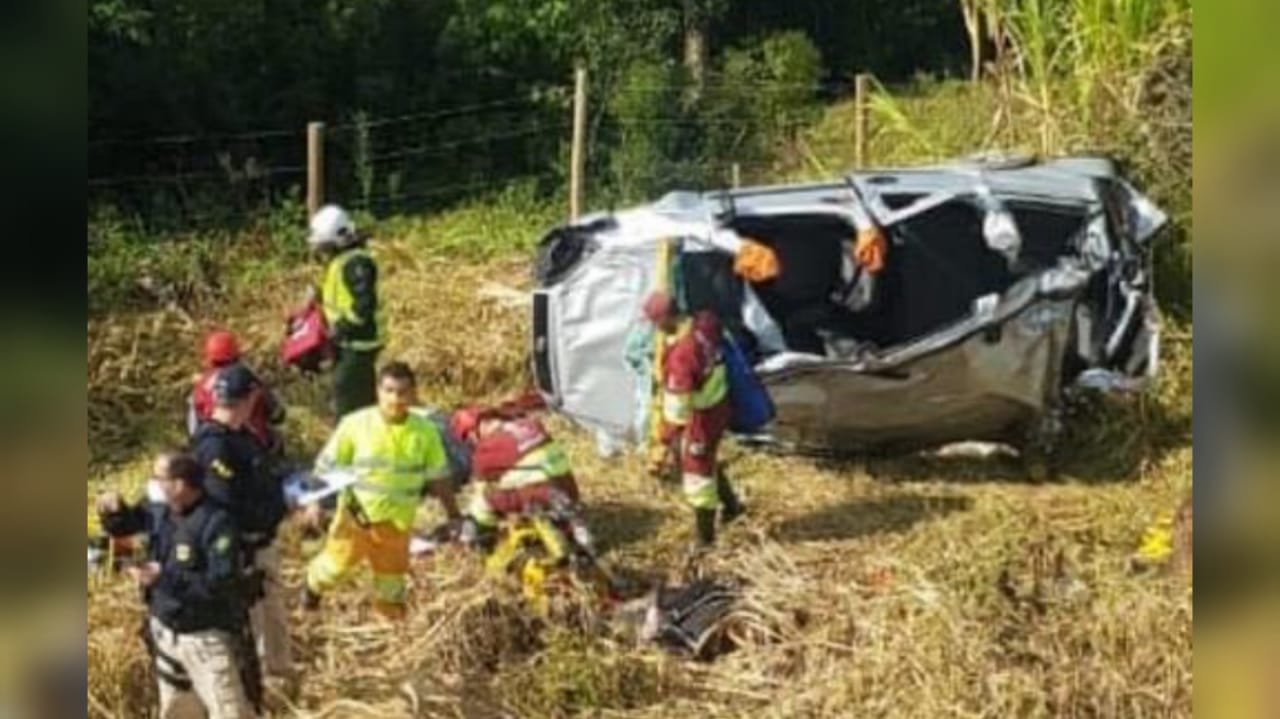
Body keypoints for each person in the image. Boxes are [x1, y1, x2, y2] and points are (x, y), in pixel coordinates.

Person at [97, 452, 258, 719]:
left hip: (204, 638)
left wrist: (165, 578)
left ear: (180, 485)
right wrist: (114, 511)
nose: (154, 483)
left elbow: (219, 584)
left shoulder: (217, 523)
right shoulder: (160, 509)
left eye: (159, 477)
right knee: (177, 711)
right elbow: (127, 525)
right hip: (166, 632)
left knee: (229, 710)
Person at [303, 362, 460, 619]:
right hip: (356, 519)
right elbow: (326, 466)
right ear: (378, 391)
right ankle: (310, 589)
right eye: (389, 391)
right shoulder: (354, 425)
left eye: (402, 392)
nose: (395, 399)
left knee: (391, 585)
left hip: (397, 524)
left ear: (412, 393)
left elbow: (439, 476)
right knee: (334, 569)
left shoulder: (425, 432)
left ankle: (392, 625)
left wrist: (453, 513)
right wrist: (314, 503)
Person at [190, 365, 293, 688]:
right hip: (244, 548)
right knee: (256, 620)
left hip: (262, 540)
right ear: (249, 398)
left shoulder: (242, 435)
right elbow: (226, 502)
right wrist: (269, 512)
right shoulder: (214, 446)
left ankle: (280, 672)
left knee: (272, 613)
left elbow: (261, 474)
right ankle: (262, 685)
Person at [641, 291, 744, 550]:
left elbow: (677, 408)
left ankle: (705, 539)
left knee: (697, 472)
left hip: (701, 415)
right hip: (720, 402)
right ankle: (732, 507)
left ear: (666, 320)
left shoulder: (681, 357)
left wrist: (665, 439)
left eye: (656, 322)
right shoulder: (705, 322)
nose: (656, 328)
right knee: (709, 457)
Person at [450, 403, 590, 553]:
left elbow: (481, 490)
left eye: (467, 438)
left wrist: (473, 520)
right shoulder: (529, 424)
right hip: (569, 488)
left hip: (541, 495)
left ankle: (485, 542)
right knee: (525, 483)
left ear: (473, 431)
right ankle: (568, 526)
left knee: (484, 502)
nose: (470, 443)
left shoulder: (485, 450)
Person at [307, 204, 385, 418]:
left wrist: (340, 328)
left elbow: (363, 305)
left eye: (324, 244)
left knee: (350, 405)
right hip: (347, 343)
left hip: (359, 343)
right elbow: (340, 296)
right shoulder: (341, 262)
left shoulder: (356, 263)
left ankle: (353, 447)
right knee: (352, 399)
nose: (321, 250)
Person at [189, 330, 286, 455]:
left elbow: (194, 429)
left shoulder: (200, 387)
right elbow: (278, 414)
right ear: (236, 353)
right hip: (255, 448)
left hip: (216, 448)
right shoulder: (245, 378)